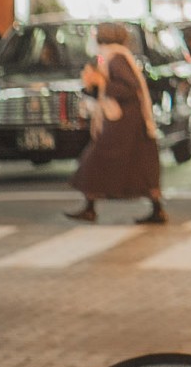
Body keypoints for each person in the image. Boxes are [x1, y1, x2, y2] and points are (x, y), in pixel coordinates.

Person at [67, 22, 167, 225]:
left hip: (123, 122)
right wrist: (93, 84)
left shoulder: (115, 57)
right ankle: (155, 208)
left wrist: (99, 82)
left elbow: (128, 88)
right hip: (128, 121)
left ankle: (90, 207)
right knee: (139, 165)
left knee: (95, 161)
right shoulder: (112, 56)